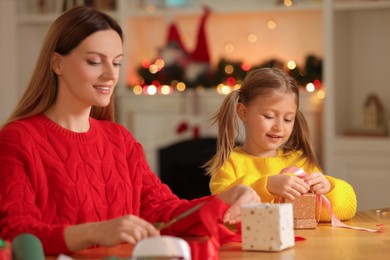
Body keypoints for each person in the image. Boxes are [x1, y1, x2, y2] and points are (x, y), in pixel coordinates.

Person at [0, 6, 260, 255]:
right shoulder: (18, 139)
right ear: (57, 63)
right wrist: (95, 232)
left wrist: (224, 200)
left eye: (116, 63)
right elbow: (16, 232)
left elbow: (164, 211)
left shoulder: (119, 139)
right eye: (94, 61)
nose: (110, 75)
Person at [205, 67, 357, 222]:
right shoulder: (229, 163)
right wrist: (267, 186)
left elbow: (345, 211)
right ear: (244, 113)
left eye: (288, 119)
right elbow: (220, 211)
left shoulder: (300, 162)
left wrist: (329, 188)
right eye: (269, 116)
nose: (279, 127)